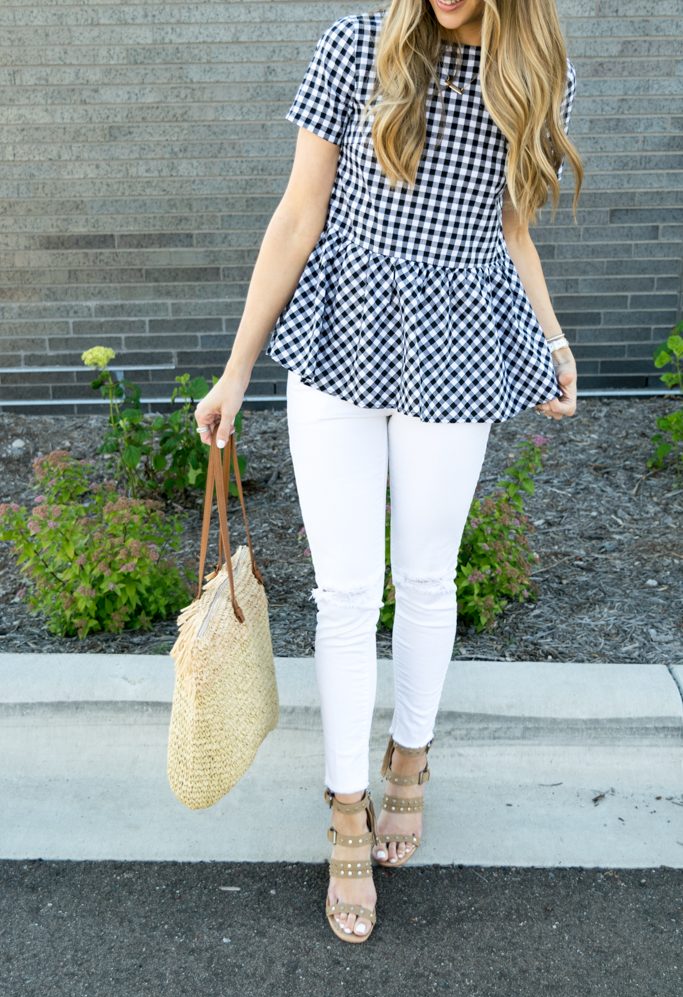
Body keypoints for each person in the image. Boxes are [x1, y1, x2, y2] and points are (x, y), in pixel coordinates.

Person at [194, 0, 584, 943]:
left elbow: (513, 232)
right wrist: (238, 368)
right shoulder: (353, 43)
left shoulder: (538, 71)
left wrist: (553, 336)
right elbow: (298, 214)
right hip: (341, 330)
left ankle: (408, 759)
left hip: (457, 339)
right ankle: (343, 808)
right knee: (343, 590)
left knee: (423, 577)